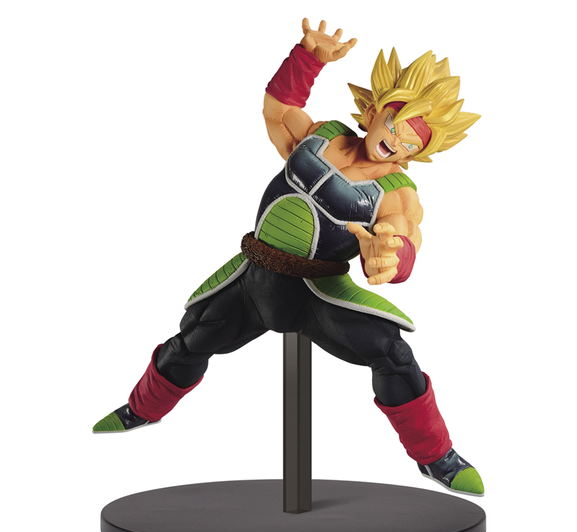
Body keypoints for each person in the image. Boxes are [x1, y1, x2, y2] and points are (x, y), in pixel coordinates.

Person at [93, 19, 484, 497]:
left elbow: (405, 239)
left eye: (412, 142)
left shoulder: (397, 193)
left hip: (318, 294)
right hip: (254, 278)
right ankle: (140, 410)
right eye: (396, 126)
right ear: (376, 110)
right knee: (191, 340)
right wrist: (307, 59)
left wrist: (388, 255)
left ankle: (436, 457)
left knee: (392, 354)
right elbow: (278, 112)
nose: (396, 142)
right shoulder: (325, 135)